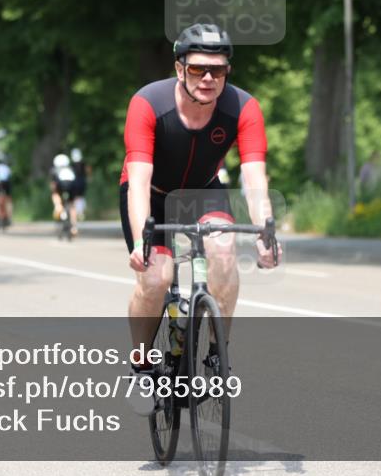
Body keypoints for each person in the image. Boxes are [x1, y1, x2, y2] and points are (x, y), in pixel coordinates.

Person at [120, 23, 278, 415]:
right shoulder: (148, 103)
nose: (208, 78)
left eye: (218, 70)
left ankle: (216, 352)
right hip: (152, 194)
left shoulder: (243, 107)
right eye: (197, 69)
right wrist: (141, 241)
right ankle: (141, 367)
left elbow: (254, 177)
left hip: (204, 191)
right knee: (155, 278)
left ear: (228, 71)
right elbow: (138, 179)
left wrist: (265, 230)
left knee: (223, 251)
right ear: (179, 68)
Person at [50, 153, 77, 234]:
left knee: (55, 194)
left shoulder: (54, 170)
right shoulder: (71, 169)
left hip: (60, 186)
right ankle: (74, 227)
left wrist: (54, 192)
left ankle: (58, 206)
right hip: (72, 186)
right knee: (72, 206)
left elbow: (53, 185)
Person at [69, 148, 88, 220]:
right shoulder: (83, 164)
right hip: (82, 182)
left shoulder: (72, 165)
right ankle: (80, 211)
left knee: (75, 198)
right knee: (81, 197)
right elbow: (87, 171)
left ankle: (77, 212)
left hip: (74, 183)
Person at [0, 160, 13, 228]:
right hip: (7, 183)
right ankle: (9, 217)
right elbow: (9, 176)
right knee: (9, 200)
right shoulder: (7, 168)